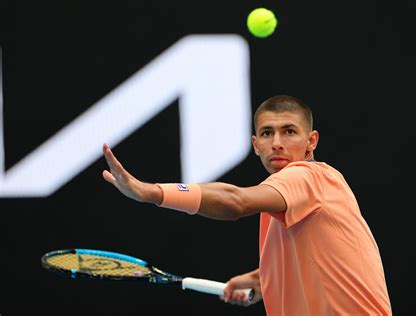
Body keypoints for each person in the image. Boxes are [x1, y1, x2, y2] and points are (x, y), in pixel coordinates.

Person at [102, 95, 392, 315]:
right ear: (255, 144)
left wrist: (151, 192)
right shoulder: (287, 198)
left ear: (311, 141)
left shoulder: (307, 176)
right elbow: (323, 258)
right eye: (267, 133)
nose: (277, 142)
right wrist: (262, 279)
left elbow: (235, 201)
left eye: (289, 131)